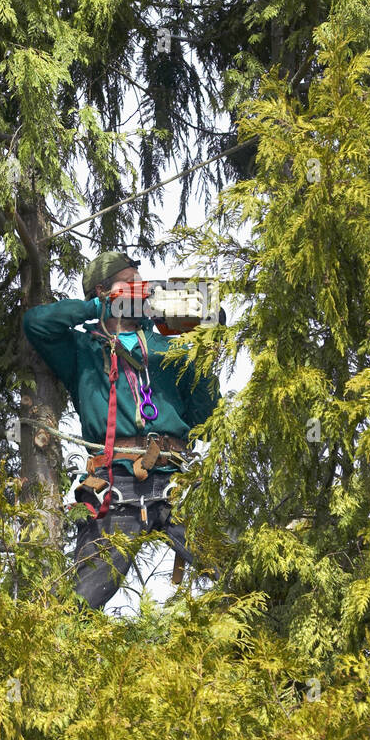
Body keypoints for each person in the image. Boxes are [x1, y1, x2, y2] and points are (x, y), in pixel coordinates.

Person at [22, 252, 220, 609]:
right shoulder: (82, 347)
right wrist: (98, 307)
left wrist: (206, 357)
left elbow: (206, 416)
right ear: (102, 289)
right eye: (129, 283)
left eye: (141, 283)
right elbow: (36, 323)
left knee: (235, 568)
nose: (141, 290)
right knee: (82, 599)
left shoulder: (168, 345)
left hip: (177, 478)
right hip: (117, 482)